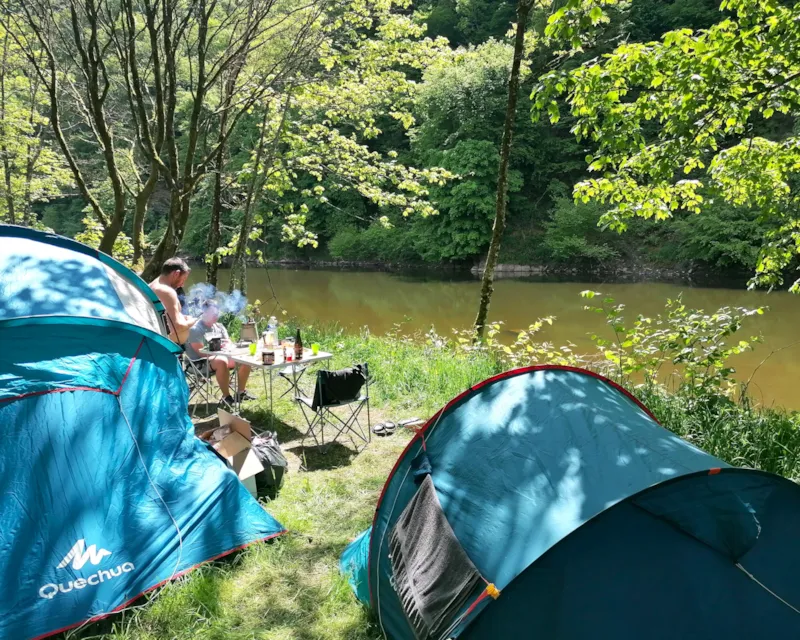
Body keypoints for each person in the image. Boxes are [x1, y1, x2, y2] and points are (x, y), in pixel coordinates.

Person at [185, 301, 253, 407]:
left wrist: (228, 345)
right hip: (198, 364)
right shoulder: (195, 329)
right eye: (213, 313)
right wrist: (221, 350)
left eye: (217, 313)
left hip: (219, 358)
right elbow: (201, 353)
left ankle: (241, 392)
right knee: (221, 361)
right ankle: (226, 397)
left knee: (244, 359)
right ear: (204, 313)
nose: (216, 316)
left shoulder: (219, 327)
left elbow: (229, 343)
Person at [149, 258, 194, 344]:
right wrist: (194, 321)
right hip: (169, 347)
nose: (183, 284)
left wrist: (183, 317)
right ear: (176, 274)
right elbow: (177, 327)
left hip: (157, 342)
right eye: (183, 279)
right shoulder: (167, 292)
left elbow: (165, 318)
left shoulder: (151, 286)